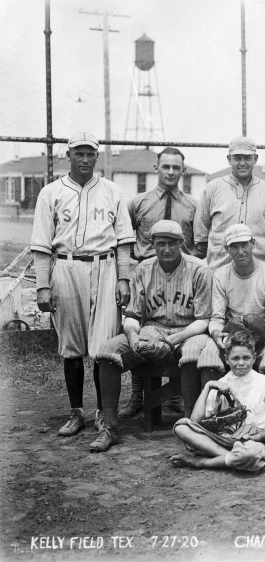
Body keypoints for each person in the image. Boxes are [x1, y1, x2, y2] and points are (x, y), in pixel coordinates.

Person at [30, 132, 134, 437]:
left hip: (105, 266)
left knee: (103, 348)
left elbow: (125, 241)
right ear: (68, 155)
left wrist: (124, 278)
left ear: (97, 156)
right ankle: (76, 412)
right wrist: (42, 286)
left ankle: (104, 413)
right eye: (79, 153)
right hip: (65, 266)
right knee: (72, 348)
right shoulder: (51, 192)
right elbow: (40, 244)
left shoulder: (112, 190)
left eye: (90, 153)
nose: (85, 159)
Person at [91, 220, 212, 451]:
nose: (166, 249)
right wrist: (133, 335)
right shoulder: (144, 269)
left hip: (189, 330)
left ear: (181, 244)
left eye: (172, 244)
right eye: (161, 244)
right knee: (107, 352)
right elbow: (134, 315)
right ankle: (109, 426)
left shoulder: (199, 269)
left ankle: (191, 428)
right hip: (153, 329)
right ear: (152, 244)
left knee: (192, 353)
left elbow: (204, 320)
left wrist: (175, 339)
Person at [123, 146, 198, 418]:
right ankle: (137, 395)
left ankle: (175, 394)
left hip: (181, 274)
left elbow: (198, 244)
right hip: (145, 273)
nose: (170, 172)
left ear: (183, 170)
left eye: (176, 167)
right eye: (165, 166)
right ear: (156, 168)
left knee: (179, 328)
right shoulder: (138, 203)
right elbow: (122, 237)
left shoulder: (192, 205)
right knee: (143, 332)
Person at [196, 223, 265, 441]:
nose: (240, 251)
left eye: (244, 245)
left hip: (262, 331)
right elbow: (217, 317)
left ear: (253, 244)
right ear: (227, 250)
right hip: (232, 330)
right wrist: (218, 335)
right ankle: (207, 422)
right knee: (208, 357)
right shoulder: (221, 274)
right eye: (234, 247)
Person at [170, 330, 265, 472]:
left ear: (254, 358)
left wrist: (261, 432)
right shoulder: (222, 383)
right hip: (224, 439)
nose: (241, 363)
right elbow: (194, 421)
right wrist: (208, 387)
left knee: (251, 453)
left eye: (246, 358)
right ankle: (235, 457)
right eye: (235, 358)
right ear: (226, 359)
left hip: (253, 440)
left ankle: (202, 462)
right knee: (181, 426)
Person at [193, 136, 265, 271]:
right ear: (229, 159)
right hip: (220, 272)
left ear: (255, 159)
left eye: (247, 158)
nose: (242, 163)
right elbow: (201, 237)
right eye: (237, 158)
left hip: (260, 274)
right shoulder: (212, 189)